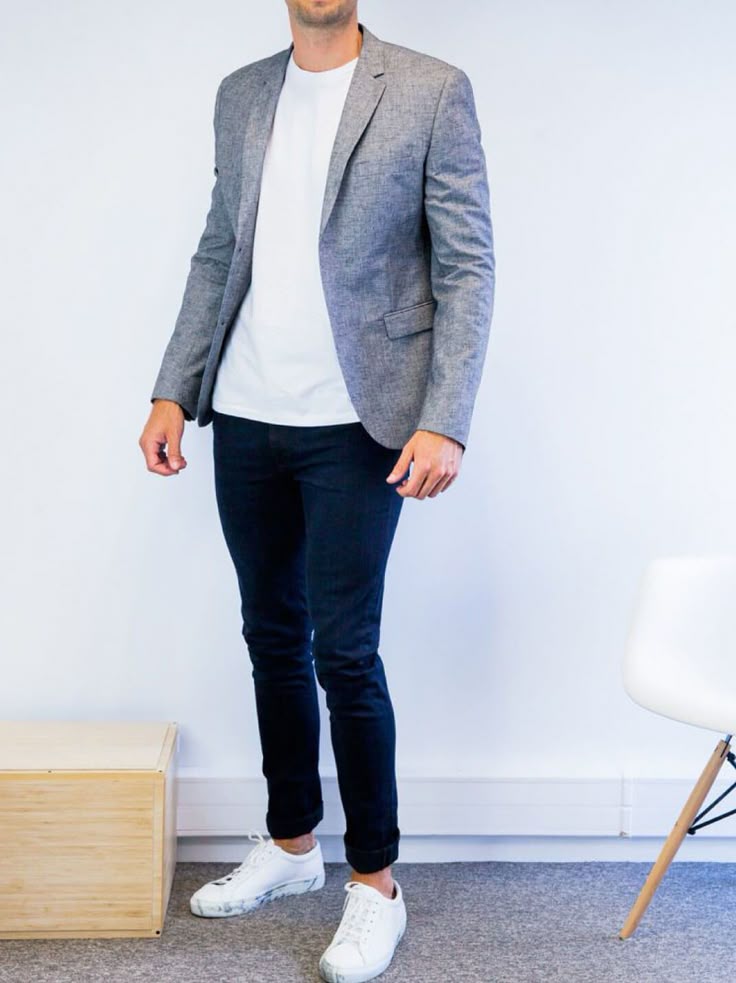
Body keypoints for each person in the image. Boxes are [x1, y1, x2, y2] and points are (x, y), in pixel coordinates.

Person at [138, 2, 494, 980]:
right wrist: (174, 387)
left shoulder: (429, 90)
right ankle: (293, 841)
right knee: (270, 635)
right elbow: (219, 249)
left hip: (359, 421)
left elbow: (466, 265)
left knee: (344, 650)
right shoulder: (242, 94)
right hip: (245, 411)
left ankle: (375, 882)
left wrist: (445, 416)